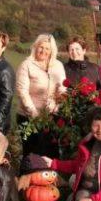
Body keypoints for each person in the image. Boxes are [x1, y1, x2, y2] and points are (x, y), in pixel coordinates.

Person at [16, 34, 66, 172]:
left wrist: (57, 106)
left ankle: (50, 182)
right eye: (41, 47)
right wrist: (34, 114)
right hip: (29, 117)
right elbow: (22, 91)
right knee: (31, 153)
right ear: (35, 47)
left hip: (51, 116)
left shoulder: (58, 66)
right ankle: (27, 183)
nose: (43, 51)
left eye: (47, 49)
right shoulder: (26, 64)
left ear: (52, 51)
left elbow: (62, 89)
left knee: (50, 152)